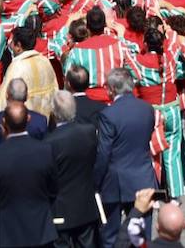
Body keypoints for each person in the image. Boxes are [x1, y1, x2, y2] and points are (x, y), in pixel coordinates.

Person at [94, 67, 157, 248]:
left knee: (111, 236)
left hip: (116, 182)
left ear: (112, 89)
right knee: (142, 235)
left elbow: (103, 153)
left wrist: (96, 182)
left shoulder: (108, 114)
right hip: (143, 177)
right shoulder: (147, 108)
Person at [0, 103, 58, 248]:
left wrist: (3, 210)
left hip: (8, 232)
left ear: (3, 122)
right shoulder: (45, 150)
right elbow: (53, 189)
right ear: (28, 119)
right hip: (40, 229)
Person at [47, 91, 100, 248]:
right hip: (86, 207)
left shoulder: (49, 142)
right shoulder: (89, 132)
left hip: (60, 210)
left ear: (54, 113)